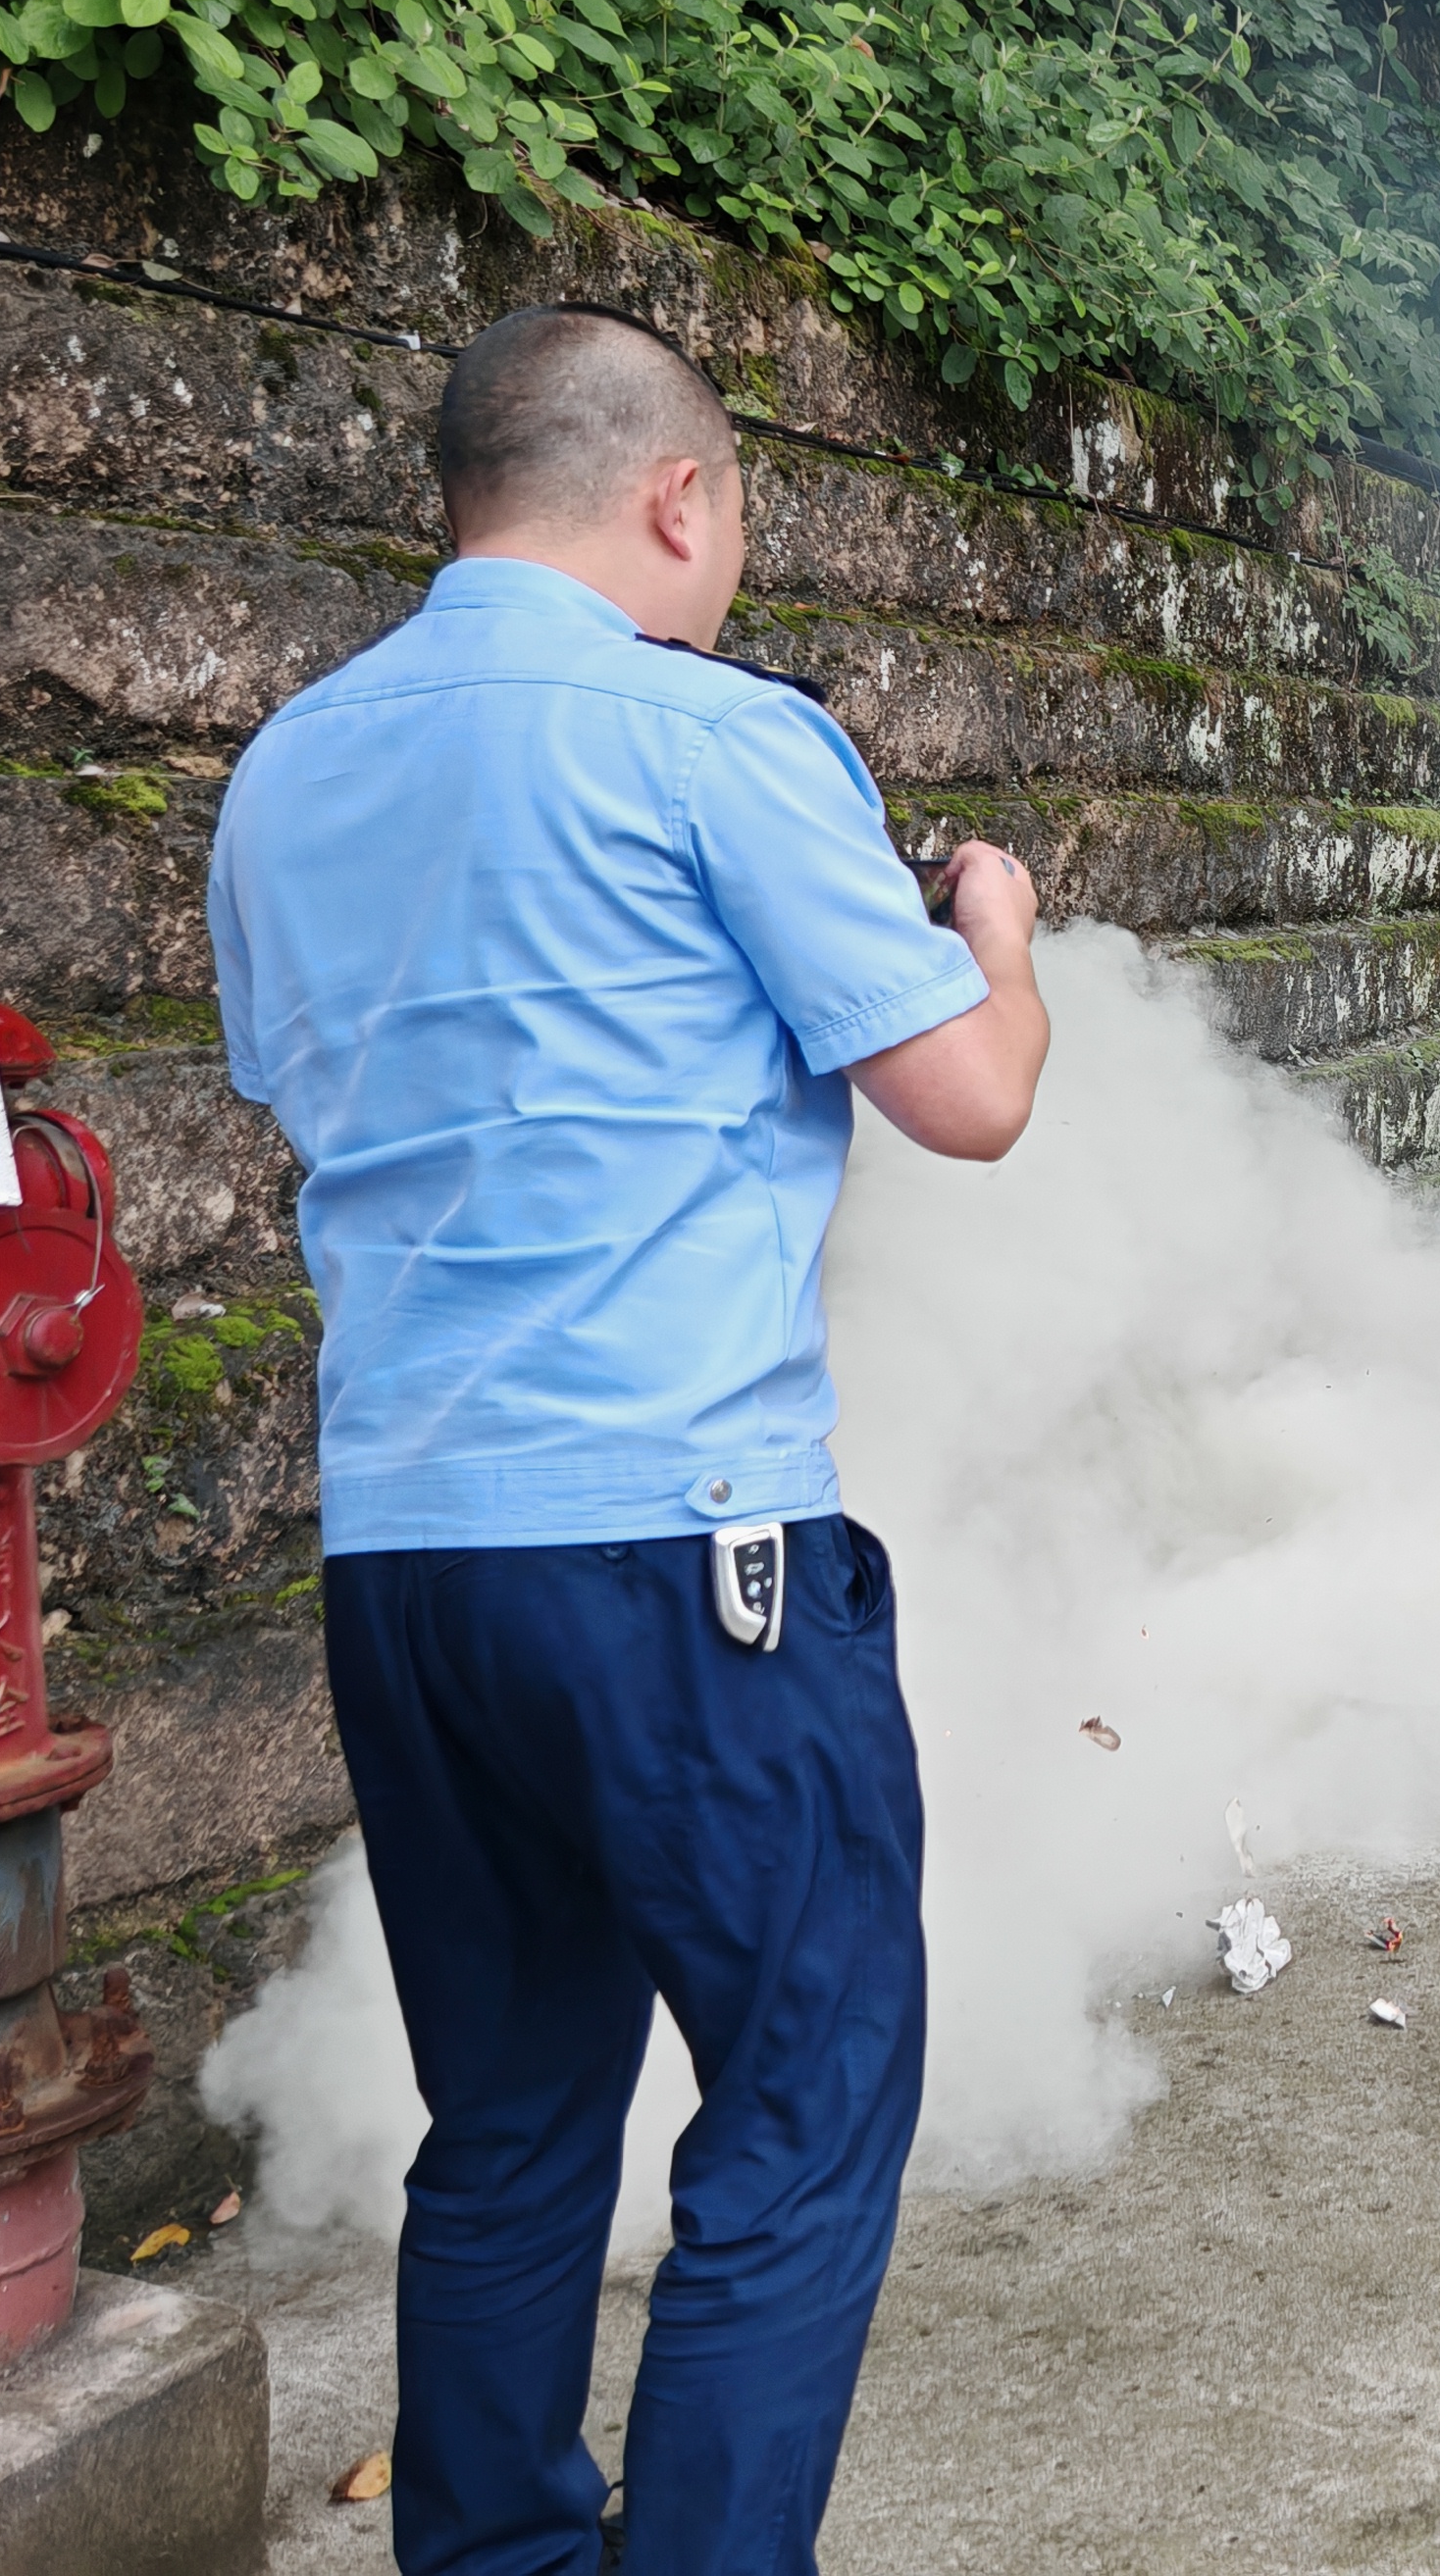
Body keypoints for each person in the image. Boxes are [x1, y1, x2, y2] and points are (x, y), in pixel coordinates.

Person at [208, 304, 1053, 2573]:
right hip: (686, 1555)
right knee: (800, 2099)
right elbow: (971, 1096)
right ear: (677, 495)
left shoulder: (284, 772)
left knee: (506, 2120)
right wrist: (996, 933)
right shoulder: (718, 737)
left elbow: (333, 1088)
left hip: (410, 1560)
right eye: (734, 519)